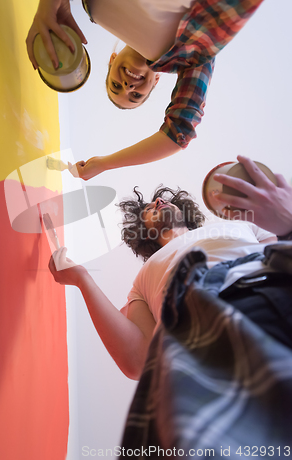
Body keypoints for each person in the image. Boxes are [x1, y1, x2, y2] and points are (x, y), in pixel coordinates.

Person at [26, 0, 292, 181]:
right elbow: (179, 133)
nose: (128, 86)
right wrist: (104, 164)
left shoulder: (92, 5)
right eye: (135, 96)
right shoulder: (191, 56)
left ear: (111, 60)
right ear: (154, 83)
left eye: (115, 85)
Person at [48, 156, 292, 380]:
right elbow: (136, 362)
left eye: (162, 201)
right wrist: (83, 280)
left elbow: (280, 263)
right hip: (210, 340)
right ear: (144, 234)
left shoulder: (241, 226)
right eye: (150, 209)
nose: (159, 201)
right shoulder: (142, 282)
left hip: (270, 302)